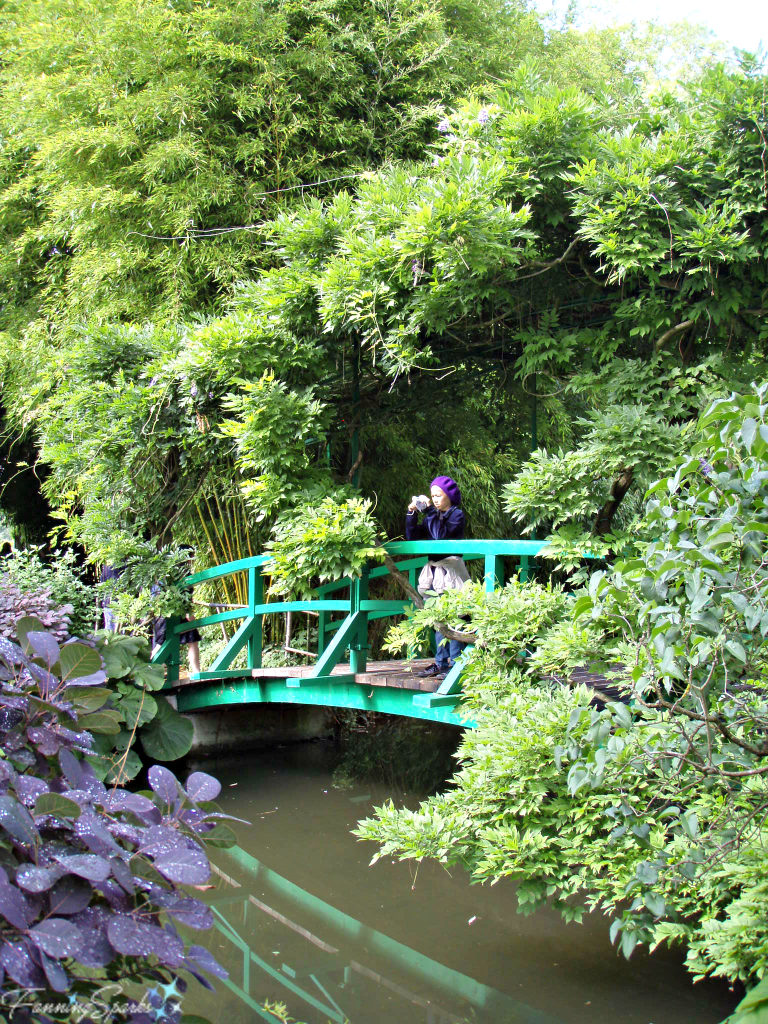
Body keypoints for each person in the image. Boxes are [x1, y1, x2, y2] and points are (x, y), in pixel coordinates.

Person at [406, 475, 469, 679]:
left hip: (451, 571)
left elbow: (441, 536)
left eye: (438, 495)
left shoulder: (456, 515)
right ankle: (440, 662)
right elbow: (413, 536)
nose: (434, 499)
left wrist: (431, 512)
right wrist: (412, 513)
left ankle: (455, 663)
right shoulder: (434, 514)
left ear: (449, 496)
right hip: (433, 572)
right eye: (432, 495)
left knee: (456, 617)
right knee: (436, 619)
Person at [151, 547, 201, 676]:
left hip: (162, 613)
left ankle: (196, 672)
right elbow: (186, 598)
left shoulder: (166, 571)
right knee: (162, 644)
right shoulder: (185, 575)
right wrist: (190, 615)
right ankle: (148, 671)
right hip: (172, 615)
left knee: (190, 638)